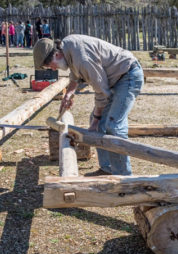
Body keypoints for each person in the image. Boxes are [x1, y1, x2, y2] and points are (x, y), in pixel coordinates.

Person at [33, 35, 144, 176]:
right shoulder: (67, 47)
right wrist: (70, 93)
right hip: (116, 78)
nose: (53, 69)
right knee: (97, 123)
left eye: (50, 65)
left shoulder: (83, 59)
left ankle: (124, 178)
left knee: (114, 126)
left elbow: (101, 91)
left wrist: (97, 119)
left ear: (56, 54)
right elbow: (74, 72)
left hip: (128, 75)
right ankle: (107, 169)